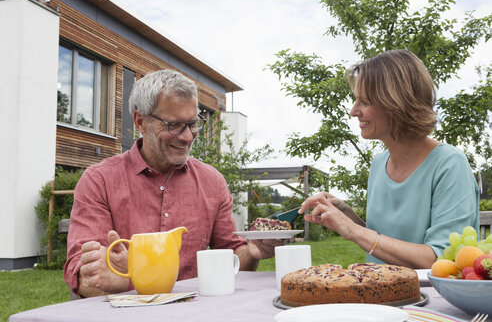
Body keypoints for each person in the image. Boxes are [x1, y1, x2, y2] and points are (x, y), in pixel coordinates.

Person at [64, 69, 282, 298]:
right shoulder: (99, 181)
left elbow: (233, 258)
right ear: (140, 121)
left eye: (193, 124)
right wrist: (108, 279)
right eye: (174, 125)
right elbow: (83, 275)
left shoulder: (212, 182)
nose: (187, 136)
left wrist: (253, 252)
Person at [299, 50, 479, 269]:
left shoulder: (450, 164)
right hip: (380, 294)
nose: (353, 111)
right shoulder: (378, 165)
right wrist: (344, 214)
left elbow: (441, 258)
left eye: (364, 102)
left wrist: (354, 230)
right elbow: (385, 242)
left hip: (430, 301)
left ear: (396, 103)